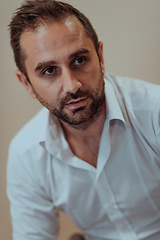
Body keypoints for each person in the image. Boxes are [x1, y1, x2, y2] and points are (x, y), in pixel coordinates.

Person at [7, 0, 160, 240]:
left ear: (100, 56)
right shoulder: (26, 154)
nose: (72, 86)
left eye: (79, 60)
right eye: (49, 70)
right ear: (26, 83)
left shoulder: (154, 112)